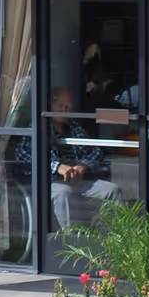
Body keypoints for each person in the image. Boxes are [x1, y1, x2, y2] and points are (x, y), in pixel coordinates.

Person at [45, 86, 121, 228]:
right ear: (51, 105)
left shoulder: (73, 127)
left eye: (67, 107)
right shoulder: (40, 126)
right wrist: (57, 167)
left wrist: (83, 166)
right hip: (51, 180)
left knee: (112, 190)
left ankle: (118, 241)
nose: (64, 111)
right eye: (60, 106)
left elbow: (95, 151)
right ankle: (70, 243)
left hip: (77, 179)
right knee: (63, 192)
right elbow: (26, 154)